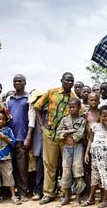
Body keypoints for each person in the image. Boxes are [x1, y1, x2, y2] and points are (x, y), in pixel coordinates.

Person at [34, 72, 76, 204]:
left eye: (72, 81)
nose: (70, 83)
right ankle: (48, 193)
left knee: (66, 165)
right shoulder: (52, 92)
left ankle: (65, 193)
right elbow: (37, 107)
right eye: (67, 80)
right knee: (50, 165)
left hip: (65, 136)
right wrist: (41, 125)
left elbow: (78, 115)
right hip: (50, 134)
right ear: (61, 80)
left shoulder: (74, 97)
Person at [83, 105, 107, 208]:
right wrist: (86, 153)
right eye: (104, 116)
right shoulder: (94, 126)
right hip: (95, 156)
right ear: (100, 115)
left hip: (106, 157)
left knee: (106, 178)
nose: (106, 118)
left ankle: (106, 199)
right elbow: (91, 140)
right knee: (95, 177)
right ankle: (91, 198)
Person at [56, 98, 86, 206]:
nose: (72, 109)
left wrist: (66, 134)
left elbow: (79, 136)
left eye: (74, 107)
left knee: (78, 171)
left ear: (79, 108)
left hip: (78, 148)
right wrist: (71, 131)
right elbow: (58, 133)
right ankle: (66, 196)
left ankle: (78, 197)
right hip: (66, 149)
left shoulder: (82, 120)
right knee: (66, 172)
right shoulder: (64, 120)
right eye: (70, 107)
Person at [0, 111, 21, 205]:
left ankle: (13, 196)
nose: (1, 121)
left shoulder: (8, 130)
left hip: (6, 158)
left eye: (3, 119)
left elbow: (13, 143)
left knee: (9, 176)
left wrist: (4, 137)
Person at [7, 74, 29, 201]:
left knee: (22, 168)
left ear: (25, 83)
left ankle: (23, 193)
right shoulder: (9, 99)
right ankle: (9, 193)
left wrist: (28, 137)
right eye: (15, 81)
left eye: (20, 81)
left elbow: (31, 120)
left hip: (22, 137)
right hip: (8, 139)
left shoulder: (28, 99)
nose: (17, 83)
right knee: (10, 167)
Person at [26, 89, 45, 200]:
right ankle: (38, 191)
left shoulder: (48, 111)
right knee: (38, 169)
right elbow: (31, 125)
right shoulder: (31, 110)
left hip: (49, 144)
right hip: (36, 145)